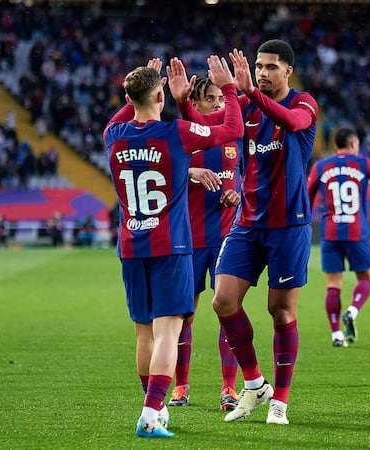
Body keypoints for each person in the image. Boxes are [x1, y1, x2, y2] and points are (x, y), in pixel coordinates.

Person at [169, 40, 318, 425]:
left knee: (280, 311)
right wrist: (184, 103)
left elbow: (293, 124)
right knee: (223, 301)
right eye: (258, 66)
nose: (262, 72)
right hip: (248, 222)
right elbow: (207, 129)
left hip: (289, 224)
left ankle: (280, 401)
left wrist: (247, 89)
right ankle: (254, 383)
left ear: (288, 71)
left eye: (270, 67)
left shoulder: (303, 103)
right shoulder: (247, 108)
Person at [103, 56, 243, 439]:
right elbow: (231, 127)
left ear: (129, 98)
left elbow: (125, 112)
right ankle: (151, 413)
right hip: (172, 245)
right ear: (161, 95)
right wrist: (229, 87)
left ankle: (157, 408)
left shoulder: (112, 136)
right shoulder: (176, 133)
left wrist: (139, 89)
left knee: (143, 335)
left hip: (132, 246)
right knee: (168, 333)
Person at [167, 76, 242, 412]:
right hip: (189, 239)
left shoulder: (233, 139)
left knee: (229, 313)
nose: (218, 103)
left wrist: (236, 195)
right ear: (193, 104)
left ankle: (229, 388)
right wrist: (190, 174)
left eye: (220, 98)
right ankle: (181, 387)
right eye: (210, 99)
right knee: (185, 316)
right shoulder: (183, 134)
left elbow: (244, 178)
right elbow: (162, 174)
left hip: (226, 237)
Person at [307, 127, 370, 347]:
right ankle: (352, 310)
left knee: (333, 284)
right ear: (354, 143)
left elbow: (307, 196)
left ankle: (336, 334)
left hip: (330, 231)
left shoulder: (320, 166)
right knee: (366, 279)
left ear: (336, 144)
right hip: (357, 230)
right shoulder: (364, 164)